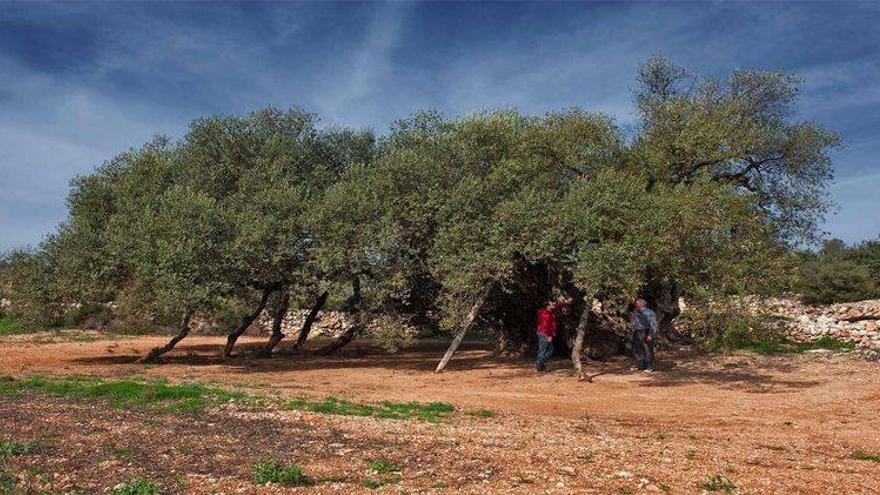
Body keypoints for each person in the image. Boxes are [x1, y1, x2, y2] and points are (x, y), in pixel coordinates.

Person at [536, 296, 572, 372]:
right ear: (547, 306)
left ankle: (540, 365)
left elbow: (557, 306)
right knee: (548, 351)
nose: (553, 305)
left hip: (542, 333)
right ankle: (540, 363)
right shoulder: (546, 315)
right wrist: (549, 336)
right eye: (552, 304)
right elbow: (545, 326)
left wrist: (565, 302)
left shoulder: (546, 311)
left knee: (543, 350)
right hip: (544, 334)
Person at [631, 297, 658, 372]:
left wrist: (650, 334)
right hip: (637, 331)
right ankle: (641, 365)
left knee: (647, 349)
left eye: (638, 302)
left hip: (645, 331)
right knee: (638, 348)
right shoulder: (636, 311)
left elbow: (653, 324)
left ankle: (650, 366)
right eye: (636, 302)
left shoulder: (648, 312)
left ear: (643, 303)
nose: (637, 304)